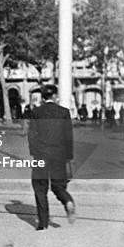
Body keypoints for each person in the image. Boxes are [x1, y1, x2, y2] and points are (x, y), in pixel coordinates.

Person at [28, 84, 76, 230]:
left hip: (41, 153)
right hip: (59, 154)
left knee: (40, 187)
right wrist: (68, 157)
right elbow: (68, 137)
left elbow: (32, 135)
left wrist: (34, 152)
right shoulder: (64, 112)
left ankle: (43, 224)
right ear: (55, 96)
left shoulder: (36, 112)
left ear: (43, 97)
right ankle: (67, 201)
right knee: (58, 186)